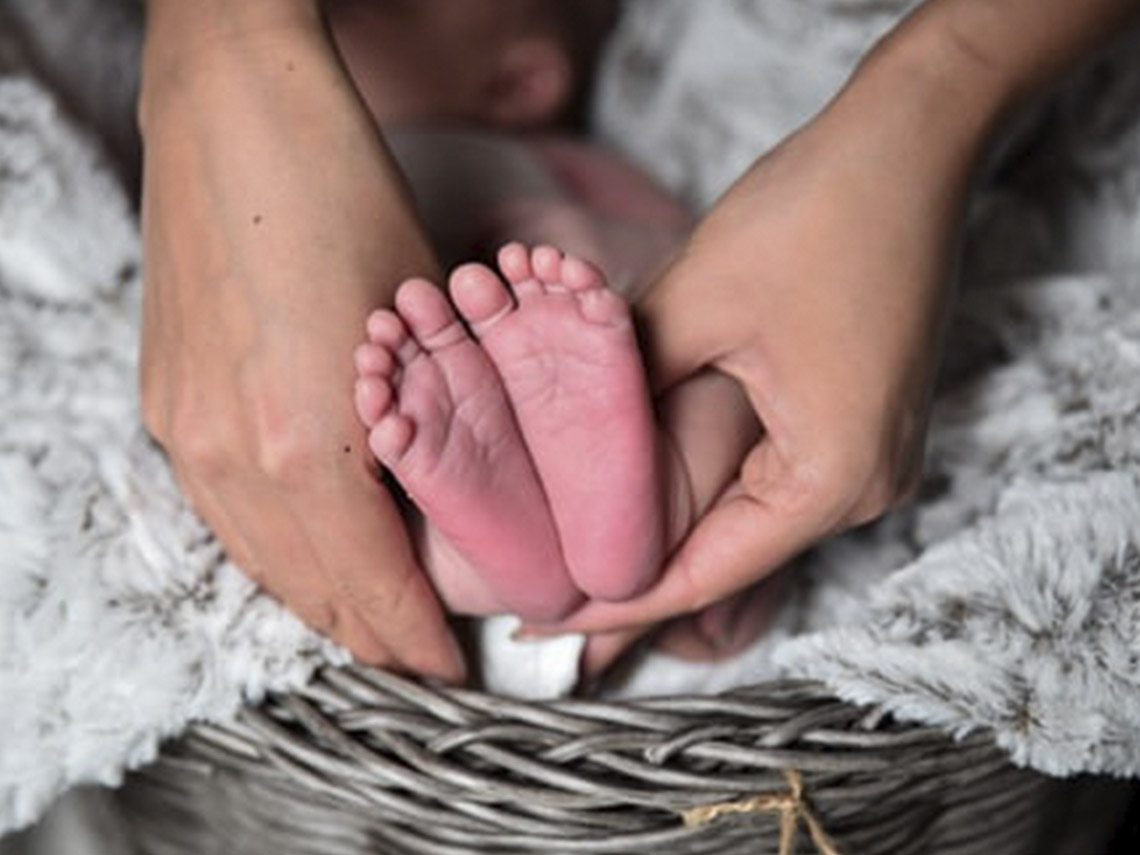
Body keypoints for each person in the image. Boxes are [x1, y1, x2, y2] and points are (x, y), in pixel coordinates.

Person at [138, 0, 1140, 682]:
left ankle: (591, 512)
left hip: (596, 364)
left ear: (519, 78)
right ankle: (562, 524)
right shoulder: (257, 208)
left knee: (714, 382)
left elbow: (690, 260)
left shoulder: (543, 159)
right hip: (517, 391)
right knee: (370, 465)